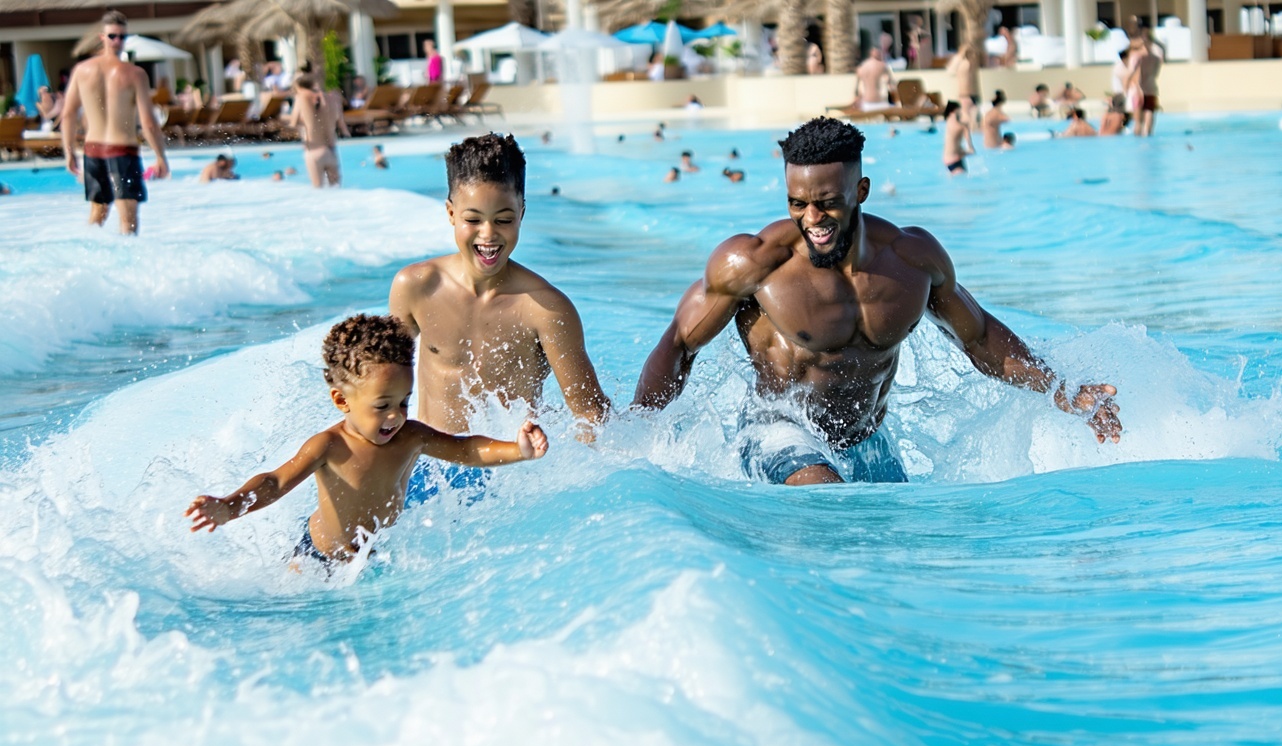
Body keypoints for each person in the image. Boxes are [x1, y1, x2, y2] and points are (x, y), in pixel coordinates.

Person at [632, 117, 1121, 486]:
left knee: (902, 536)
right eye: (797, 203)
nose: (812, 218)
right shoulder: (753, 264)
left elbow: (980, 338)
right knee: (830, 504)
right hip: (778, 428)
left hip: (866, 435)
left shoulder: (912, 260)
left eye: (827, 201)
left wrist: (1060, 389)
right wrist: (635, 437)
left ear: (861, 190)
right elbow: (678, 345)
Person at [184, 314, 548, 569]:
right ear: (343, 401)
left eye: (404, 402)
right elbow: (275, 482)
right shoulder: (329, 446)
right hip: (316, 557)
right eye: (382, 406)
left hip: (374, 553)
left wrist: (518, 450)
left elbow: (466, 449)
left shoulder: (412, 436)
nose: (396, 416)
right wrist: (230, 507)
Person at [388, 133, 611, 449]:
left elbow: (589, 412)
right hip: (432, 463)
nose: (488, 234)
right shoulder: (416, 288)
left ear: (521, 212)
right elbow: (380, 385)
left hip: (509, 467)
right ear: (451, 213)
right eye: (473, 219)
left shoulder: (545, 308)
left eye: (504, 219)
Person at [61, 11, 170, 236]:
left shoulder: (82, 71)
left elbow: (68, 114)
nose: (118, 42)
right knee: (128, 220)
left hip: (93, 151)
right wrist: (161, 157)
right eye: (113, 36)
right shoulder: (135, 74)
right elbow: (148, 122)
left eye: (122, 37)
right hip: (122, 152)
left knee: (98, 216)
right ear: (102, 37)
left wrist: (69, 152)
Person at [288, 73, 349, 188]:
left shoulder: (301, 97)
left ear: (298, 86)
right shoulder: (331, 98)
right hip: (331, 152)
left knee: (318, 193)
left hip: (314, 152)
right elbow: (340, 121)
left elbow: (293, 122)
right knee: (337, 192)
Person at [1127, 35, 1162, 137]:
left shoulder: (1137, 57)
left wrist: (1126, 88)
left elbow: (1131, 73)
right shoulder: (1156, 59)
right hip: (1151, 88)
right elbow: (1155, 74)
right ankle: (1147, 136)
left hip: (1138, 89)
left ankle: (1138, 143)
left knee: (1137, 123)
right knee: (1149, 114)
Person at [947, 45, 980, 126]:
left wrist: (960, 55)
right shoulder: (968, 64)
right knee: (972, 122)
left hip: (966, 96)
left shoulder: (966, 64)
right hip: (969, 95)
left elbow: (950, 71)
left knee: (968, 121)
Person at [854, 47, 891, 112]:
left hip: (866, 104)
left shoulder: (861, 68)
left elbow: (857, 89)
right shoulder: (883, 66)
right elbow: (891, 85)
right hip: (880, 102)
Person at [942, 100, 974, 175]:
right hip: (955, 160)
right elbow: (971, 149)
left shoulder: (948, 121)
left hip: (947, 159)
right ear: (955, 111)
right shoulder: (961, 127)